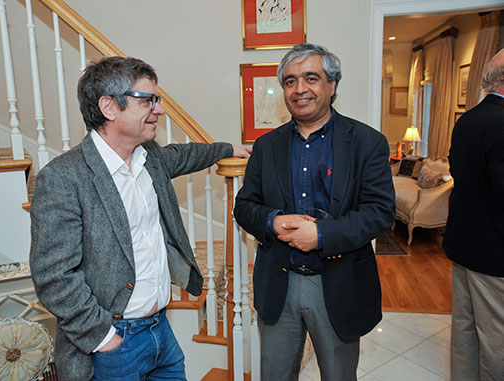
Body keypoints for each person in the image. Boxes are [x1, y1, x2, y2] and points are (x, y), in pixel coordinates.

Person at [29, 56, 250, 380]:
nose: (158, 109)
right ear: (109, 107)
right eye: (147, 100)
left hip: (161, 331)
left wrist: (227, 148)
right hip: (114, 345)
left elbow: (186, 155)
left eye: (156, 100)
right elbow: (54, 276)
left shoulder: (151, 158)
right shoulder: (64, 178)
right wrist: (106, 339)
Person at [234, 43, 395, 381]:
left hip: (339, 285)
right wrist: (272, 220)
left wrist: (322, 235)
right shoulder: (266, 146)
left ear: (332, 85)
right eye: (290, 81)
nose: (300, 89)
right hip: (279, 284)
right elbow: (244, 206)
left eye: (311, 78)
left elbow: (380, 212)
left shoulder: (367, 142)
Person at [442, 48, 504, 381]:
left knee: (464, 329)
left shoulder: (467, 120)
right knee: (498, 339)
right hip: (494, 253)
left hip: (463, 244)